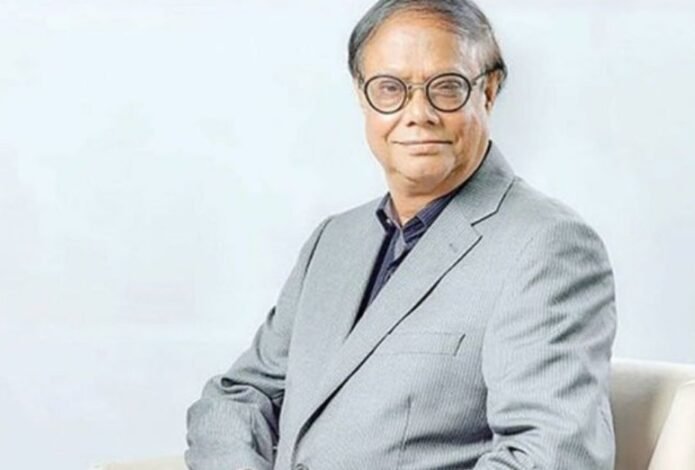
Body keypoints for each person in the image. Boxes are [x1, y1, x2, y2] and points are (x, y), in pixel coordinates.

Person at [185, 1, 617, 469]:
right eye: (390, 89)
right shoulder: (333, 242)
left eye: (446, 87)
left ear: (489, 91)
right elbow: (239, 396)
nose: (418, 113)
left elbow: (551, 455)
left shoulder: (548, 247)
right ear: (362, 96)